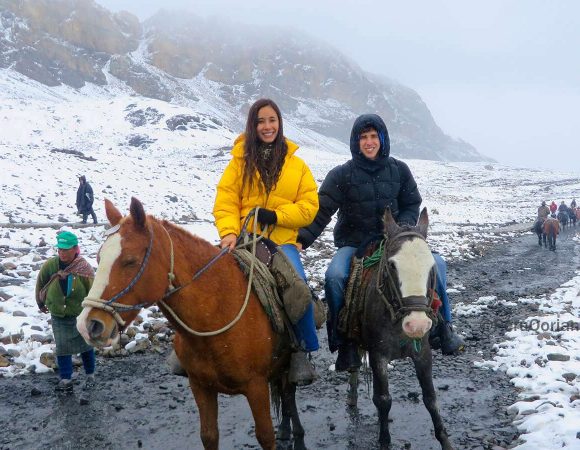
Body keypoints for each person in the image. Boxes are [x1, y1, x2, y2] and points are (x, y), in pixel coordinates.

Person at [297, 114, 464, 371]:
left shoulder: (399, 170)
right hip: (355, 244)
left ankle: (444, 328)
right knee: (334, 276)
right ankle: (345, 343)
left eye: (374, 136)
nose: (369, 142)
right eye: (363, 137)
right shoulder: (342, 175)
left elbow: (411, 203)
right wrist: (302, 240)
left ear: (383, 139)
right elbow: (322, 212)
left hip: (396, 241)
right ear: (356, 141)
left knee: (437, 264)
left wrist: (400, 230)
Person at [213, 98, 319, 385]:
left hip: (282, 242)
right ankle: (195, 349)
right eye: (261, 121)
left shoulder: (297, 165)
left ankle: (302, 349)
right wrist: (229, 233)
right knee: (208, 281)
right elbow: (226, 202)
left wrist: (277, 216)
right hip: (245, 239)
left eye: (272, 120)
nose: (267, 126)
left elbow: (310, 206)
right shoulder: (239, 162)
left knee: (298, 287)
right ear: (253, 124)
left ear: (280, 123)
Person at [35, 230, 96, 391]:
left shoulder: (84, 268)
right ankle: (66, 378)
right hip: (58, 314)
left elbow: (94, 292)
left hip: (80, 315)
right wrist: (40, 303)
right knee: (62, 347)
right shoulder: (51, 265)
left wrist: (94, 313)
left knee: (86, 345)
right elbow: (41, 283)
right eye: (60, 249)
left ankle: (90, 374)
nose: (62, 253)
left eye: (66, 249)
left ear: (75, 249)